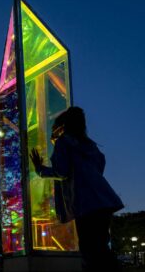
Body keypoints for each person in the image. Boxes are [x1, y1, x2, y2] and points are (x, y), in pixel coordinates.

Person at [30, 106, 124, 271]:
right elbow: (100, 166)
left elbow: (62, 171)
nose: (53, 136)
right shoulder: (89, 145)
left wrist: (40, 169)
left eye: (54, 132)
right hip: (104, 200)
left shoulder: (63, 142)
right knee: (101, 247)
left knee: (89, 249)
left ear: (61, 128)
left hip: (85, 204)